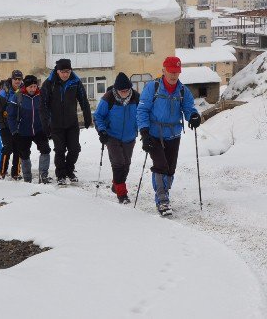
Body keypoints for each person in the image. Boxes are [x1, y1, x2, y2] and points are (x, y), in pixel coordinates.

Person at [136, 57, 201, 216]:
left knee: (170, 169)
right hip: (154, 134)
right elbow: (142, 110)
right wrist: (144, 133)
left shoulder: (183, 91)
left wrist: (193, 116)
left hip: (173, 134)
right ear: (164, 70)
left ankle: (164, 191)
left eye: (176, 72)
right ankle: (162, 200)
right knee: (161, 166)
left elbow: (189, 108)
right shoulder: (153, 87)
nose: (174, 76)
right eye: (171, 72)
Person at [40, 58, 92, 185]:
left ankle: (69, 170)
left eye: (68, 71)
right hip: (56, 124)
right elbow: (43, 106)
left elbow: (83, 100)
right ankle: (61, 175)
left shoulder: (75, 82)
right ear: (57, 71)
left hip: (72, 123)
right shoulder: (49, 83)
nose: (65, 74)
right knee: (60, 150)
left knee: (75, 149)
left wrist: (87, 117)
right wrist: (46, 124)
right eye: (63, 72)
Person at [93, 72, 139, 204]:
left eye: (126, 90)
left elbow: (143, 113)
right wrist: (102, 131)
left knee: (126, 164)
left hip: (130, 136)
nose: (124, 93)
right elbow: (98, 116)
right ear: (116, 89)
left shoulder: (136, 97)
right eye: (121, 91)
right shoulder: (108, 98)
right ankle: (122, 194)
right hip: (112, 135)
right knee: (118, 163)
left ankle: (116, 184)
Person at [5, 75, 52, 183]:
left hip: (39, 130)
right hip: (23, 131)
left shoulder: (41, 95)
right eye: (30, 86)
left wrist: (49, 127)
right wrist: (14, 132)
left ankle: (43, 176)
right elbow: (11, 116)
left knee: (45, 150)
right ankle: (27, 178)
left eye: (35, 86)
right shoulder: (17, 96)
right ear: (25, 86)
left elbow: (49, 112)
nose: (33, 89)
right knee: (24, 154)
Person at [0, 70, 24, 179]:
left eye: (19, 79)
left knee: (18, 149)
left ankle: (16, 173)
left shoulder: (23, 91)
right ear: (11, 79)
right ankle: (2, 171)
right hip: (6, 126)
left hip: (18, 126)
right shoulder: (4, 92)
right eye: (15, 79)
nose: (17, 81)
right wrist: (1, 126)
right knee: (8, 148)